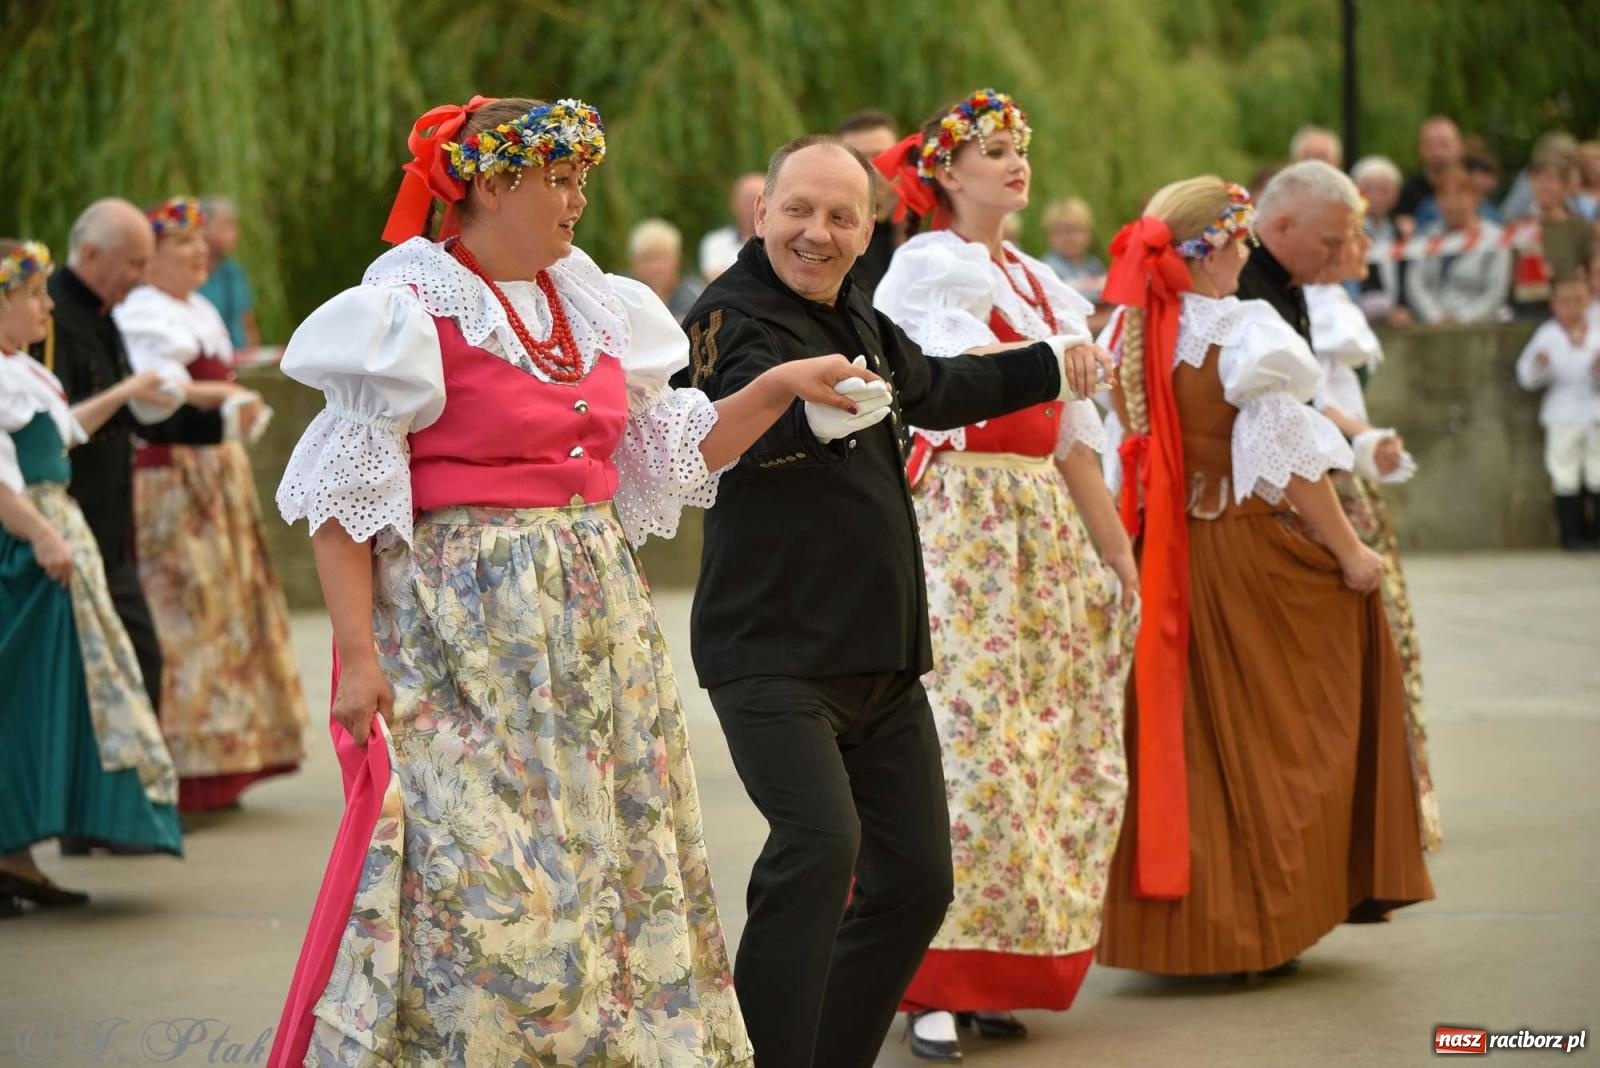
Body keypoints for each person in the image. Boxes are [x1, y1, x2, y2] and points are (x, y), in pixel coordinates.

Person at [267, 95, 890, 1067]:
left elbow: (673, 457)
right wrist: (354, 660)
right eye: (559, 180)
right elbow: (345, 503)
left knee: (604, 869)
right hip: (463, 640)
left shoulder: (596, 306)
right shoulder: (407, 309)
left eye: (580, 181)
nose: (575, 202)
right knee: (486, 881)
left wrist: (771, 388)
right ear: (491, 184)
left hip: (594, 634)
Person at [674, 130, 1111, 1068]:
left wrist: (1048, 362)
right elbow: (721, 428)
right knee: (819, 848)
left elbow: (936, 388)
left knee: (915, 883)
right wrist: (802, 411)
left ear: (870, 231)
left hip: (882, 660)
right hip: (772, 657)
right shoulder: (726, 315)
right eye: (798, 210)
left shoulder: (859, 314)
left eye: (842, 216)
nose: (817, 233)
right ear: (761, 215)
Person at [1094, 176, 1434, 979]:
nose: (1246, 255)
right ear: (1210, 251)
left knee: (1184, 738)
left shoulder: (1126, 333)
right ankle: (1257, 921)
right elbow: (1288, 464)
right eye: (1239, 241)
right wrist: (1350, 551)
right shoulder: (1246, 329)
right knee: (1273, 731)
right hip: (1240, 551)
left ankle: (1190, 933)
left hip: (1158, 554)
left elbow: (1118, 455)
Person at [870, 89, 1136, 1061]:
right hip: (965, 514)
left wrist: (1114, 552)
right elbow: (928, 382)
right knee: (964, 741)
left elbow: (1073, 437)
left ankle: (999, 966)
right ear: (943, 172)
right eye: (991, 149)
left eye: (1020, 146)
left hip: (1039, 521)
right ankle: (925, 978)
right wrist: (1047, 359)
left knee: (1034, 745)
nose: (1014, 162)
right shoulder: (927, 266)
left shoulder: (1035, 277)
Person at [1, 238, 184, 916]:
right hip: (27, 547)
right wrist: (45, 535)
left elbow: (64, 432)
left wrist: (131, 390)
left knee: (63, 691)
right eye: (31, 296)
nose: (45, 305)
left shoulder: (22, 372)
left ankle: (16, 857)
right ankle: (11, 851)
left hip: (52, 533)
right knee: (26, 696)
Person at [114, 197, 307, 812]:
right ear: (150, 263)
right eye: (181, 247)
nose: (198, 254)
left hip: (214, 473)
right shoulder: (144, 315)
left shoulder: (195, 308)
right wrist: (222, 393)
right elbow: (153, 395)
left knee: (228, 612)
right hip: (172, 480)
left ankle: (227, 762)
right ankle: (183, 767)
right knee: (186, 612)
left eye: (201, 244)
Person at [39, 198, 228, 725]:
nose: (142, 277)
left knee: (141, 660)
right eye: (134, 264)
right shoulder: (52, 318)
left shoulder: (105, 313)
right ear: (94, 253)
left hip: (112, 522)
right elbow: (52, 428)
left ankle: (138, 802)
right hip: (74, 518)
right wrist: (130, 392)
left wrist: (216, 423)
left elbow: (133, 418)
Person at [1306, 219, 1443, 852]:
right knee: (1365, 637)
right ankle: (1372, 806)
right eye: (1350, 233)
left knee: (1393, 637)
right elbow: (1307, 401)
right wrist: (1362, 437)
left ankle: (1401, 796)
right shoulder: (1299, 307)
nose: (1361, 247)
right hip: (1323, 476)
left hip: (1349, 471)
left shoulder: (1334, 302)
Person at [1516, 273, 1600, 549]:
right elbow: (1526, 378)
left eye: (1579, 300)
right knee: (1565, 472)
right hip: (1562, 411)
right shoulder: (1547, 335)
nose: (1573, 308)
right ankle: (1572, 535)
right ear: (1555, 304)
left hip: (1594, 408)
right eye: (1566, 302)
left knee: (1596, 471)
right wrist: (1540, 365)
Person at [1236, 160, 1359, 341]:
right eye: (1331, 243)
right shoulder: (1234, 283)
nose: (1339, 259)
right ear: (1283, 227)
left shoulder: (1291, 277)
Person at [1406, 166, 1511, 325]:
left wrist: (1462, 320)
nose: (1451, 203)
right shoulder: (1428, 235)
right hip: (1433, 326)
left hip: (1481, 327)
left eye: (1459, 195)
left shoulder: (1495, 238)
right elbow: (1415, 283)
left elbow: (1496, 292)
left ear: (1475, 198)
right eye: (1444, 196)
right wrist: (1435, 316)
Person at [1511, 151, 1596, 319]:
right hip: (1527, 307)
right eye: (1538, 180)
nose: (1544, 187)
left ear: (1564, 187)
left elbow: (1590, 272)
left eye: (1550, 180)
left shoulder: (1581, 227)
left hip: (1571, 308)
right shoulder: (1520, 226)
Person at [838, 109, 905, 295]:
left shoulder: (931, 227)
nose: (871, 169)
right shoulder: (828, 238)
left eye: (880, 156)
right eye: (858, 158)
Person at [1351, 155, 1411, 324]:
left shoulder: (1401, 231)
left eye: (1384, 189)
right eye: (1369, 189)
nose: (1376, 196)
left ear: (1395, 194)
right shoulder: (1350, 232)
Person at [196, 196, 260, 352]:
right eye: (227, 225)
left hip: (239, 362)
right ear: (203, 227)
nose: (235, 232)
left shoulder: (233, 272)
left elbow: (248, 324)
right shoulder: (190, 275)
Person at [627, 217, 704, 321]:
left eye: (661, 258)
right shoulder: (624, 296)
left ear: (677, 261)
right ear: (634, 264)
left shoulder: (696, 296)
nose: (655, 267)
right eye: (646, 259)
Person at [1396, 115, 1463, 227]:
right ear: (1420, 149)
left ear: (1459, 146)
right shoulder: (1407, 193)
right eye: (1429, 145)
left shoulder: (1473, 187)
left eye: (1444, 144)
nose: (1436, 152)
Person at [699, 172, 765, 282]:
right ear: (734, 203)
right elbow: (717, 282)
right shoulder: (715, 242)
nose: (755, 209)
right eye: (749, 201)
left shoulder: (779, 243)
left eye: (760, 202)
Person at [1041, 196, 1106, 300]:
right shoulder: (1047, 270)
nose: (1067, 237)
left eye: (1074, 230)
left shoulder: (1094, 265)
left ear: (1089, 233)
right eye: (1059, 231)